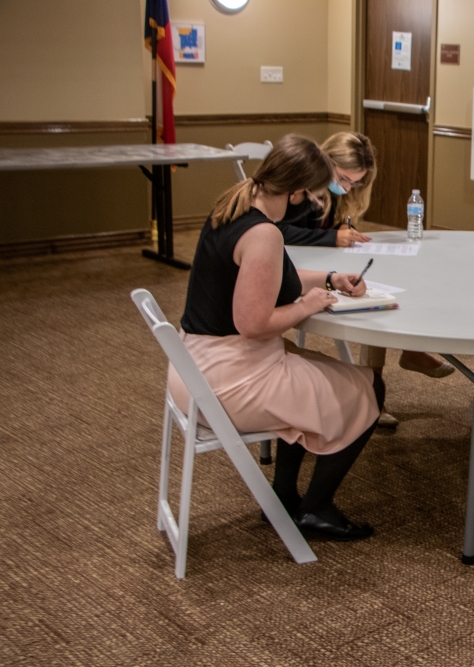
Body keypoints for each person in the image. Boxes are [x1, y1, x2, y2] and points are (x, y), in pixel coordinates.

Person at [167, 134, 382, 541]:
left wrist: (330, 278)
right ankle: (316, 509)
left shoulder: (236, 203)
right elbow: (254, 323)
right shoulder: (264, 234)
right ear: (297, 192)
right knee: (371, 387)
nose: (317, 204)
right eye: (315, 195)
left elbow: (267, 278)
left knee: (316, 377)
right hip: (228, 378)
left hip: (196, 365)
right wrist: (309, 304)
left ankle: (283, 498)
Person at [278, 131, 454, 428]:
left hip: (323, 264)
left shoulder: (338, 195)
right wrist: (331, 237)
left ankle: (398, 364)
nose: (347, 187)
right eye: (343, 179)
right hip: (295, 272)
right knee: (368, 296)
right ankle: (376, 395)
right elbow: (280, 231)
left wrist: (338, 233)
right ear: (325, 162)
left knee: (375, 286)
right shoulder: (302, 191)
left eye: (355, 183)